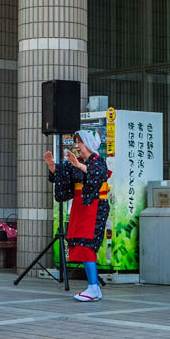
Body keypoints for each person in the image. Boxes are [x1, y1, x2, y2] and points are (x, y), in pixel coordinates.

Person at [46, 128, 110, 302]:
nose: (77, 146)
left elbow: (97, 175)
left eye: (79, 142)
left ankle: (94, 287)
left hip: (95, 207)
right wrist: (52, 165)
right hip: (80, 207)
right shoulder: (77, 162)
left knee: (87, 245)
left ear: (88, 144)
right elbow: (60, 174)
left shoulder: (98, 161)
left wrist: (78, 165)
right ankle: (92, 286)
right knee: (80, 244)